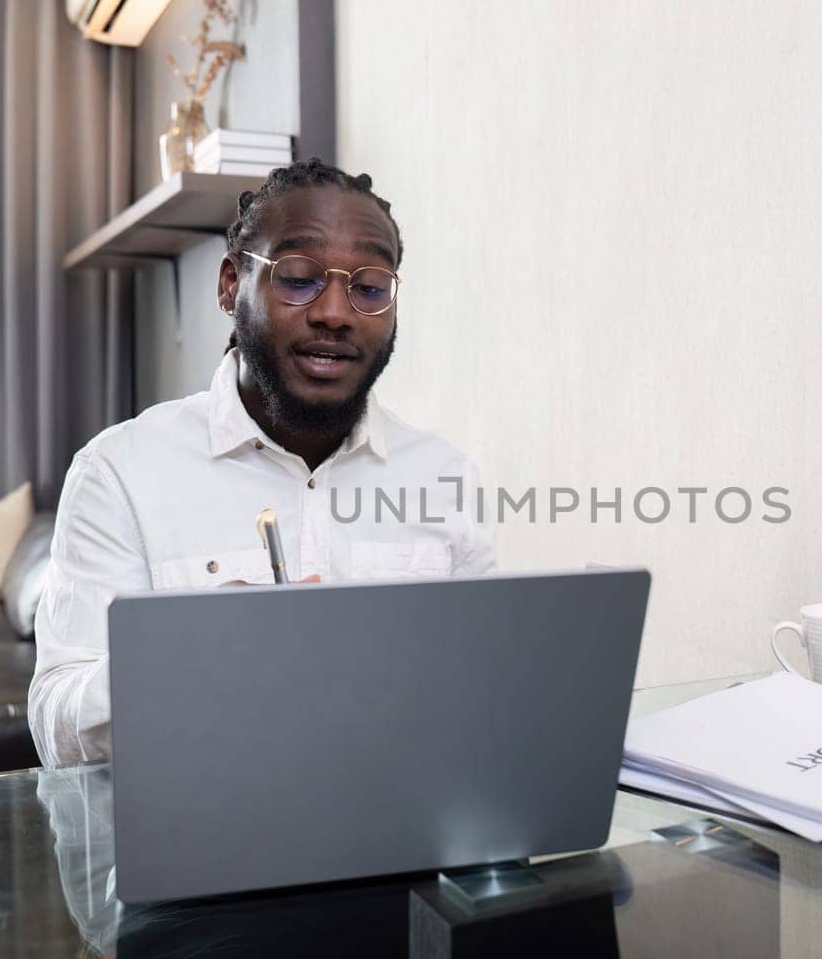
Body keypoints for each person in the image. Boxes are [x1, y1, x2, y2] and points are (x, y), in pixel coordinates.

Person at [27, 160, 496, 767]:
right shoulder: (119, 471)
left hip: (406, 835)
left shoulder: (444, 476)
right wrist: (187, 652)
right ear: (230, 285)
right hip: (197, 843)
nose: (335, 312)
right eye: (298, 278)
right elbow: (56, 732)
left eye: (370, 287)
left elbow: (484, 697)